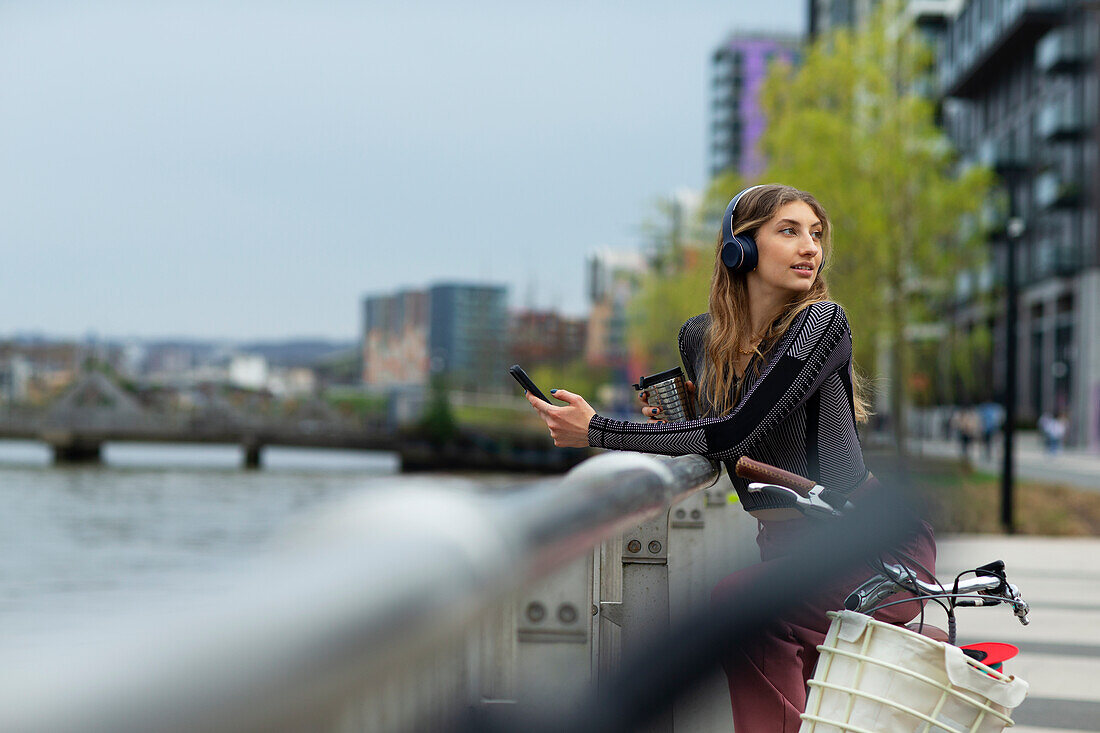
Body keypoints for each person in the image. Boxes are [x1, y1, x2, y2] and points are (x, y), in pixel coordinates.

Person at [524, 183, 936, 732]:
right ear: (738, 249)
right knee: (823, 706)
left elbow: (735, 429)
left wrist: (598, 429)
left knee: (740, 607)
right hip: (786, 545)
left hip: (863, 543)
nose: (809, 248)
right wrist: (682, 420)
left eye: (815, 235)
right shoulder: (699, 339)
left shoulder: (822, 323)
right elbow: (720, 437)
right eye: (788, 232)